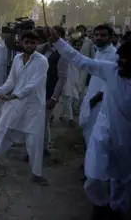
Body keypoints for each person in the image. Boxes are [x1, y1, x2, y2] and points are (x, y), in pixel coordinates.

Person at [46, 26, 131, 220]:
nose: (124, 61)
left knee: (122, 181)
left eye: (129, 58)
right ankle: (100, 205)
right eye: (122, 57)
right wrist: (58, 41)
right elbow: (81, 61)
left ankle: (116, 211)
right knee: (94, 175)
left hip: (127, 138)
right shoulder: (111, 70)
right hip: (104, 130)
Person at [0, 30, 49, 186]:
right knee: (4, 130)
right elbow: (10, 82)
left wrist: (13, 96)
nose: (30, 45)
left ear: (37, 44)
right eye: (27, 42)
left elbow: (34, 85)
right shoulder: (18, 59)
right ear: (21, 42)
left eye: (33, 43)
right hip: (16, 103)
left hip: (34, 105)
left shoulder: (42, 61)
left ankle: (36, 173)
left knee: (34, 139)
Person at [78, 24, 118, 145]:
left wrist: (98, 97)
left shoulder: (114, 55)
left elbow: (113, 81)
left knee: (99, 134)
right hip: (92, 96)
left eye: (103, 35)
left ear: (111, 38)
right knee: (88, 129)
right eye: (96, 35)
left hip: (103, 101)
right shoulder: (98, 52)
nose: (98, 38)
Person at [36, 25, 68, 156]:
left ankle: (42, 149)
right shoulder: (42, 48)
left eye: (52, 34)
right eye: (47, 34)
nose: (48, 36)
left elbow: (62, 78)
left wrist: (54, 98)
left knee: (43, 122)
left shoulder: (63, 53)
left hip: (49, 93)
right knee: (37, 121)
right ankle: (39, 147)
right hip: (37, 91)